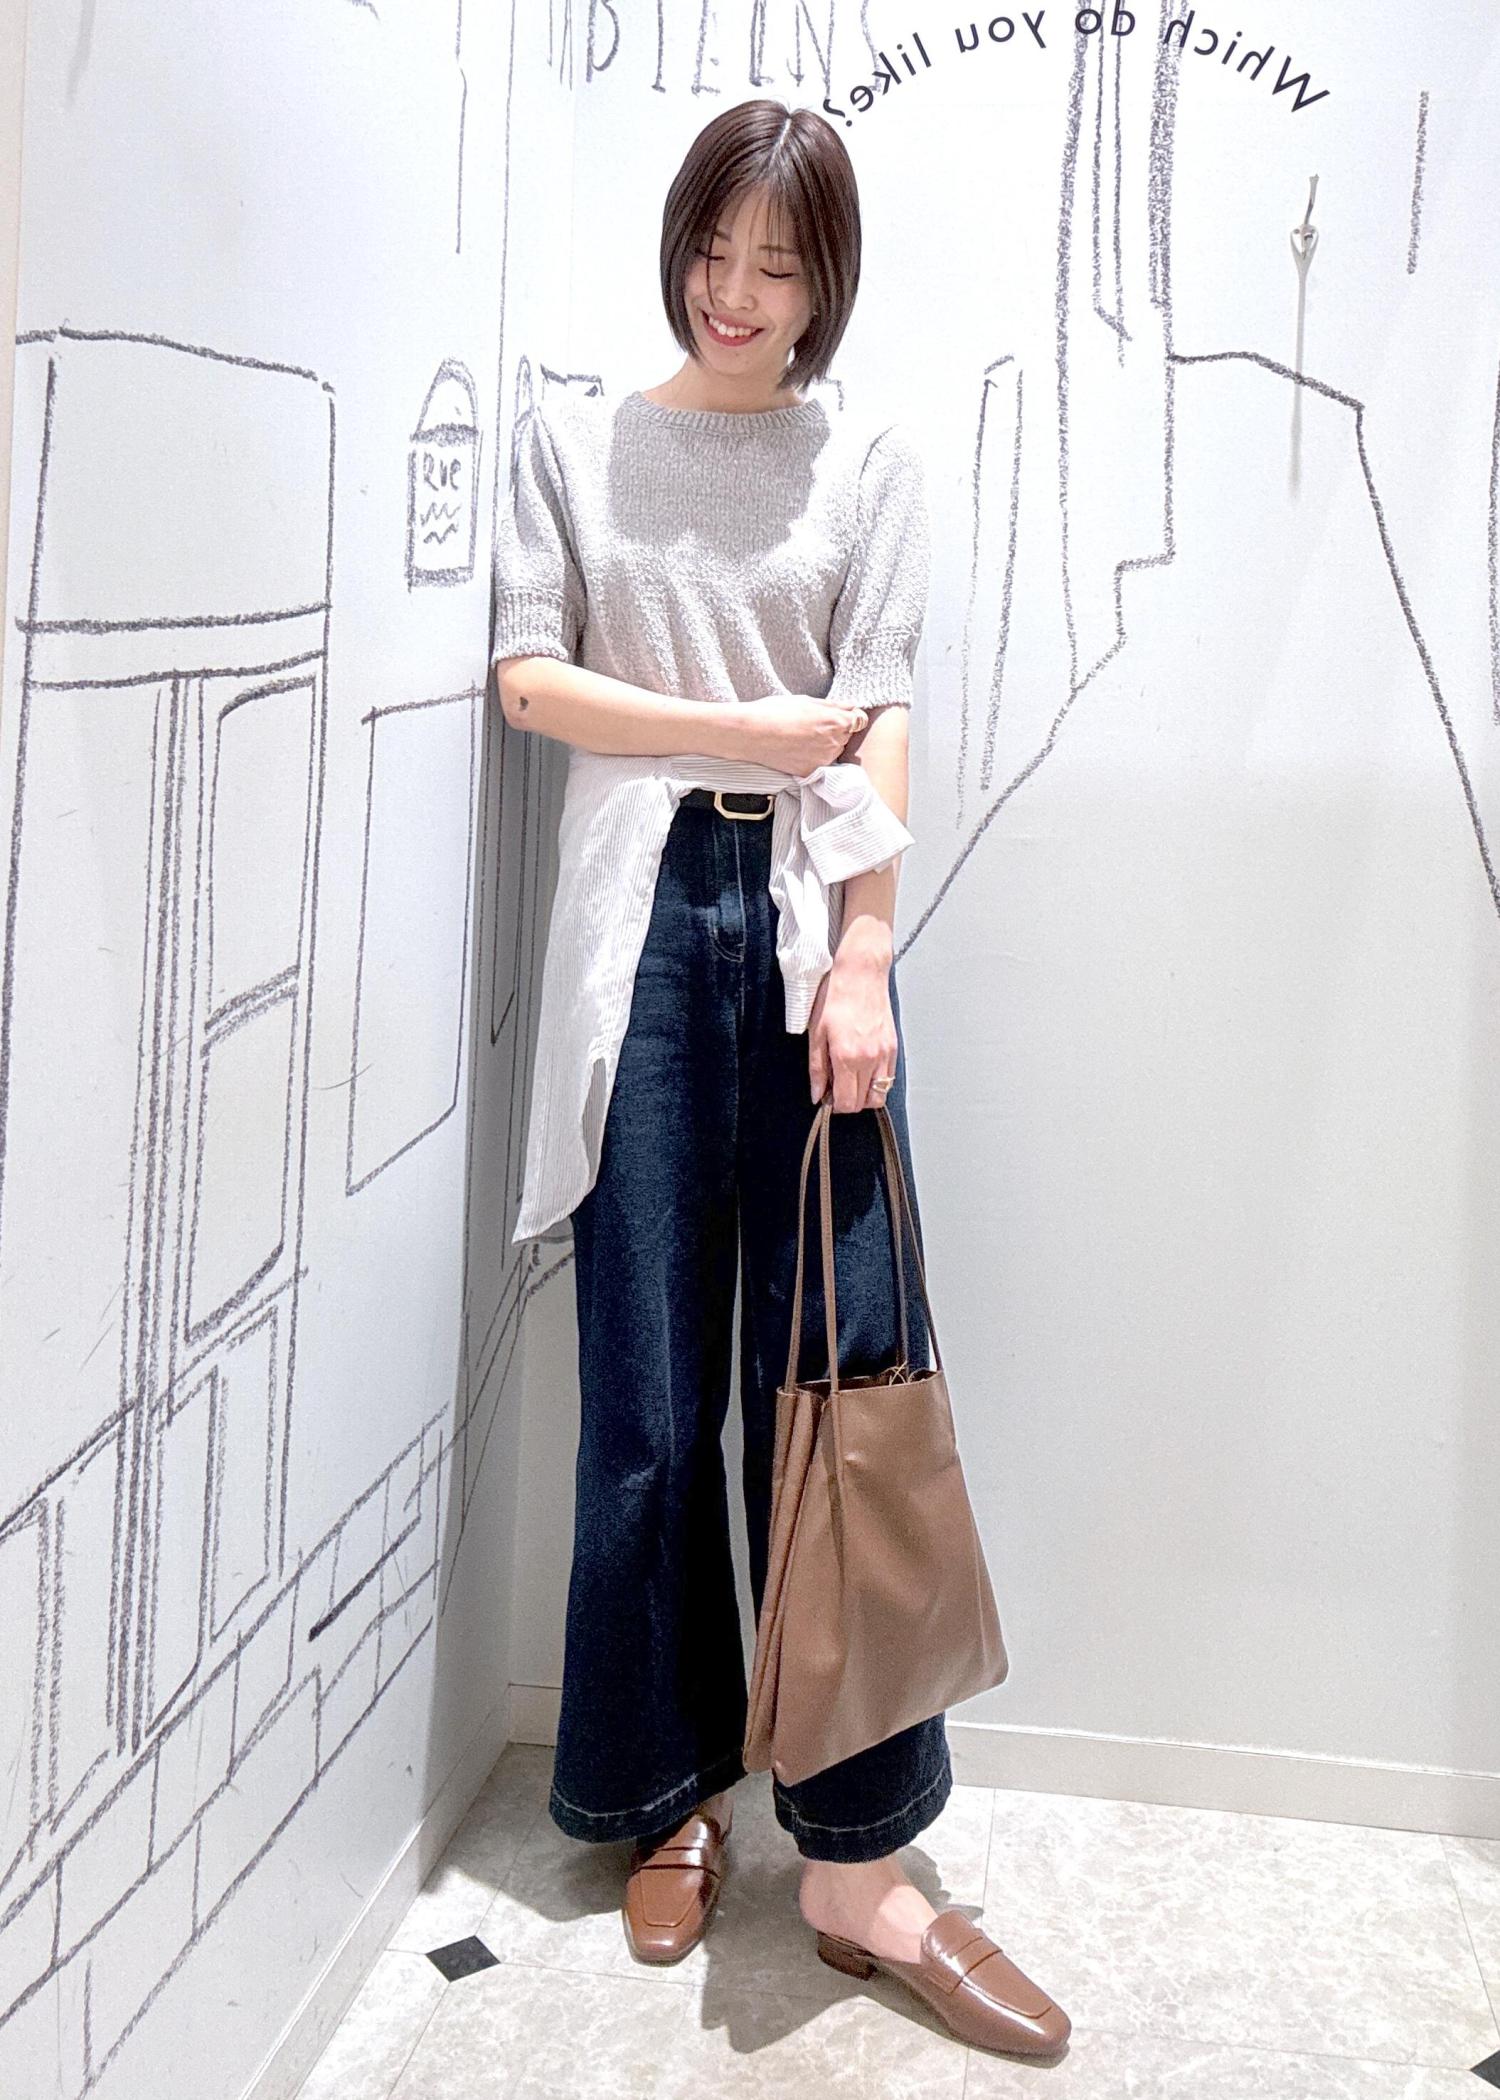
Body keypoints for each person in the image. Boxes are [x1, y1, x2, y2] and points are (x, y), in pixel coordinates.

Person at [491, 98, 1068, 2059]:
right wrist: (742, 724)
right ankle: (666, 1795)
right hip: (645, 915)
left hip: (813, 915)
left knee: (835, 1385)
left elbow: (879, 703)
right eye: (713, 251)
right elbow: (531, 680)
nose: (736, 295)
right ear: (677, 242)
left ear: (828, 284)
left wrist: (871, 956)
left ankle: (860, 1856)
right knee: (651, 1400)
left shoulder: (869, 458)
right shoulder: (576, 441)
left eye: (781, 266)